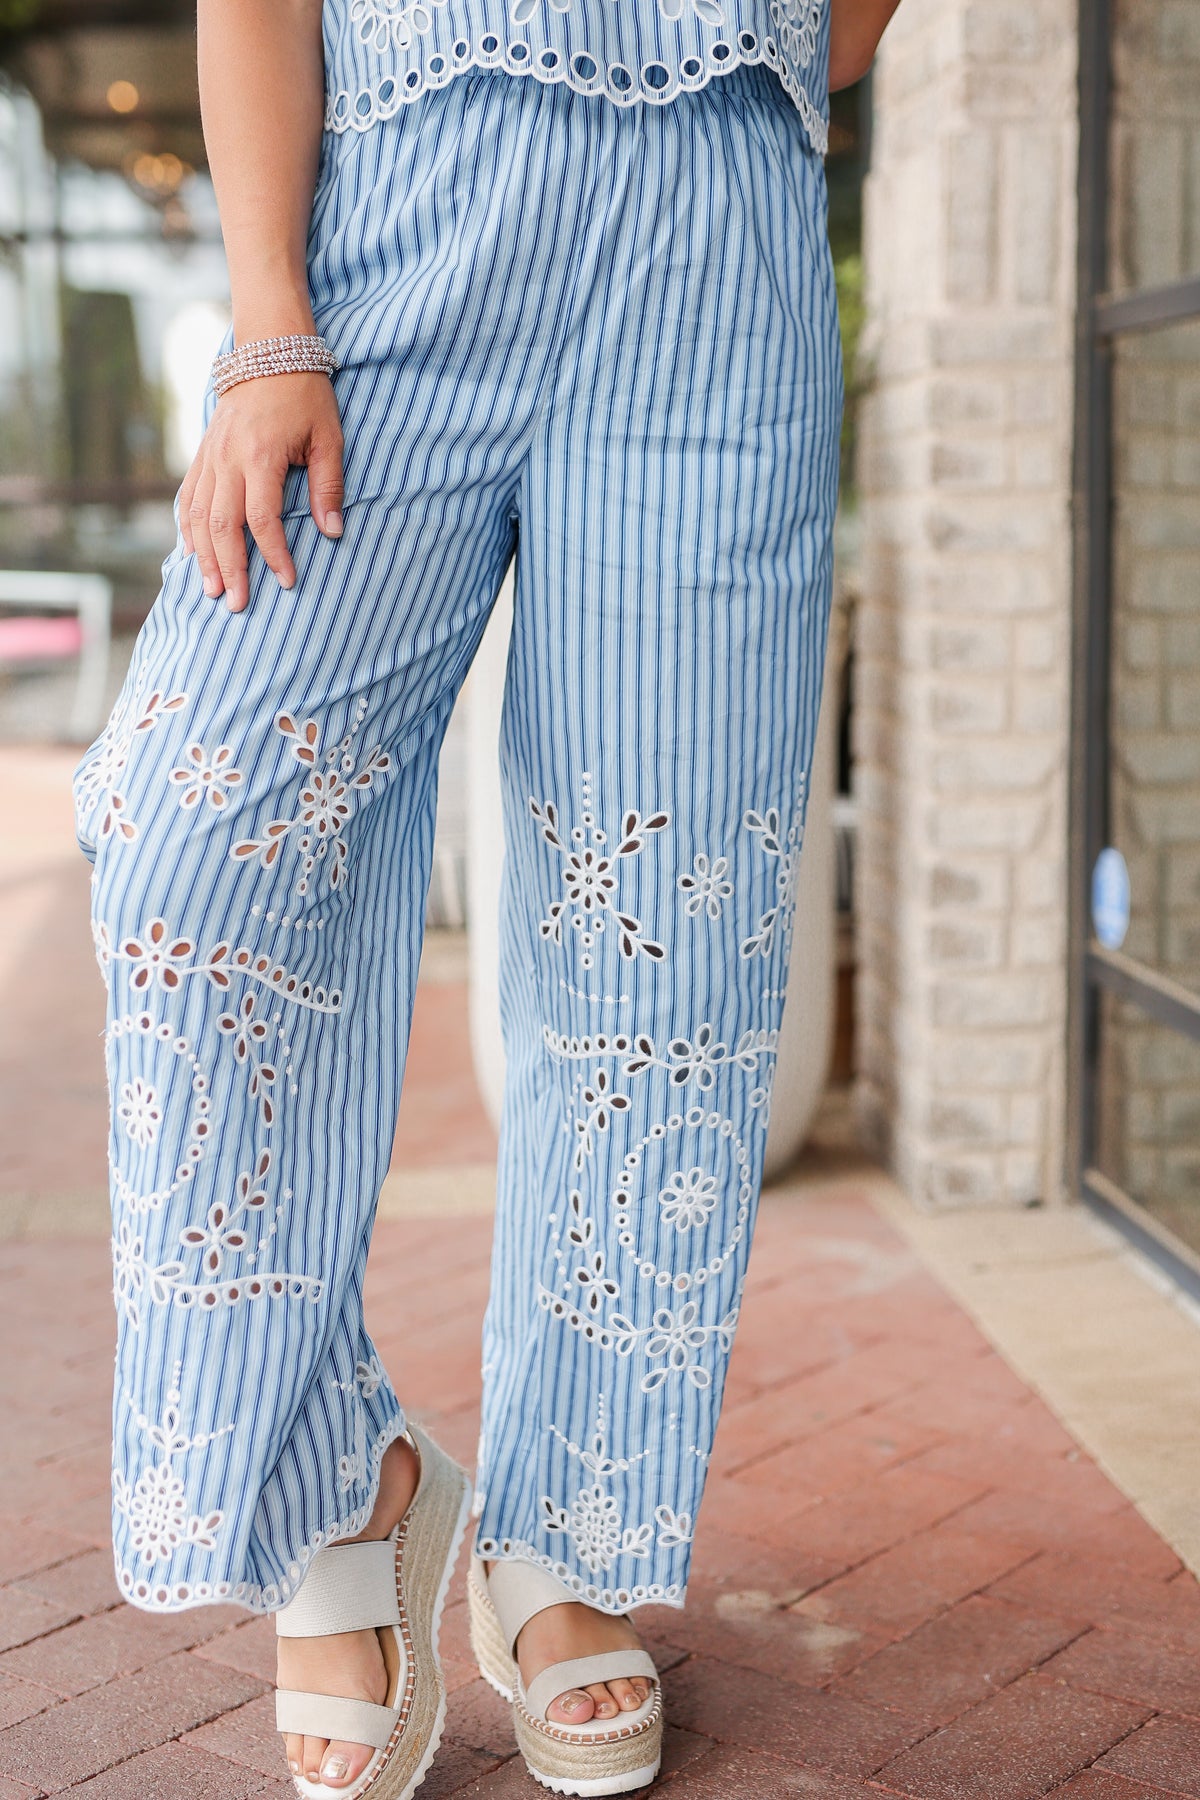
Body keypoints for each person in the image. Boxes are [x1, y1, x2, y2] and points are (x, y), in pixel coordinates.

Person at [71, 0, 902, 1794]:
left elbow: (837, 34)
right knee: (190, 839)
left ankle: (571, 1533)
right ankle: (331, 1490)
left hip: (715, 257)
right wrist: (268, 310)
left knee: (661, 915)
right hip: (395, 237)